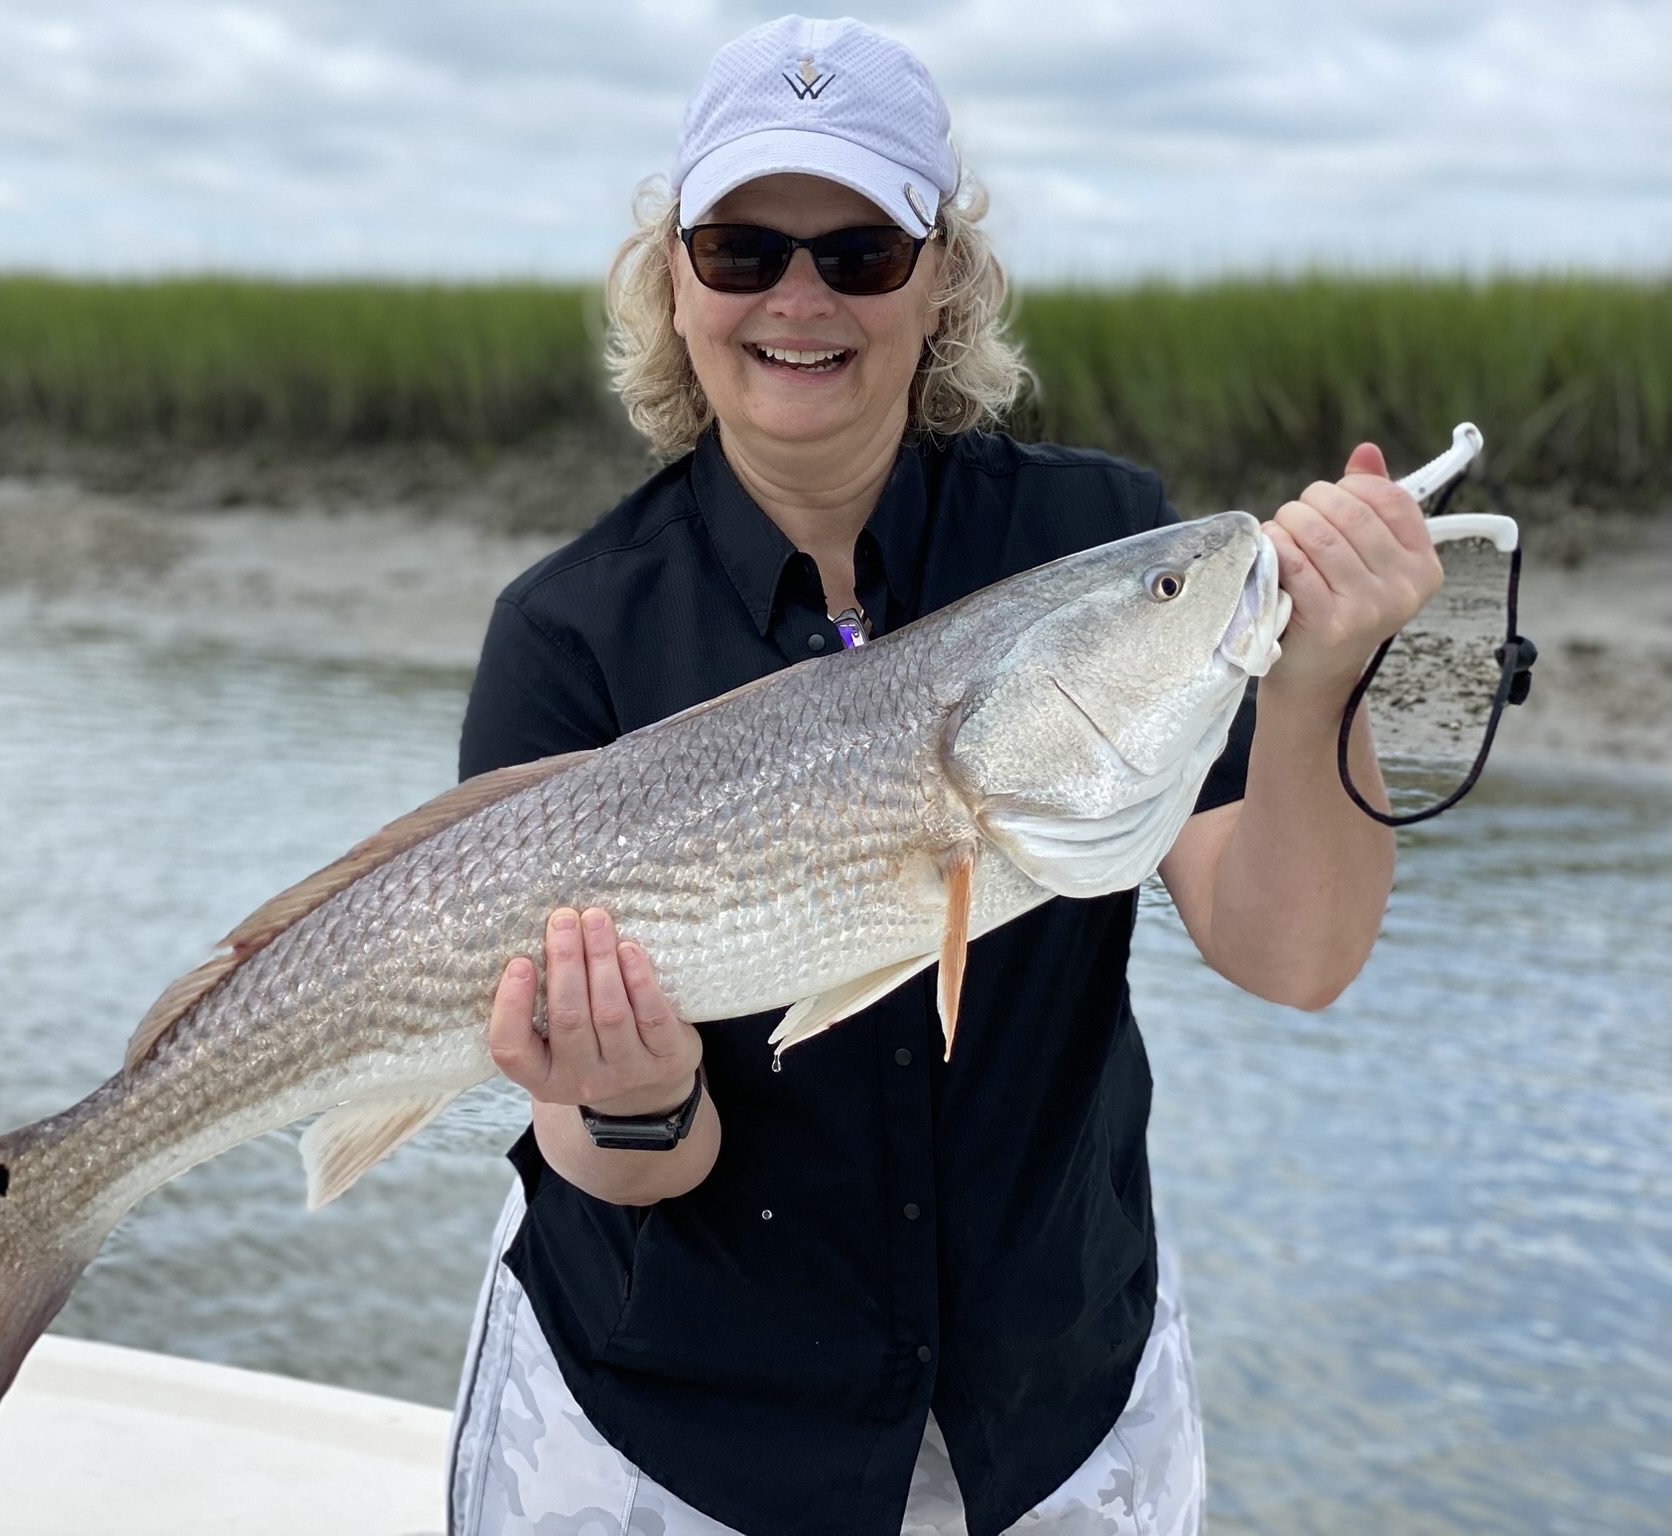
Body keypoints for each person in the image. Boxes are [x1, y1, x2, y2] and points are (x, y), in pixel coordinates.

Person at [446, 17, 1441, 1536]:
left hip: (1049, 1419)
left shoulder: (1092, 541)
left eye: (859, 251)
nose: (798, 297)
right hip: (681, 1439)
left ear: (942, 284)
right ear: (676, 285)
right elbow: (613, 1161)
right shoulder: (570, 633)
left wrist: (1315, 683)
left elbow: (1293, 953)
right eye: (738, 250)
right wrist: (637, 1104)